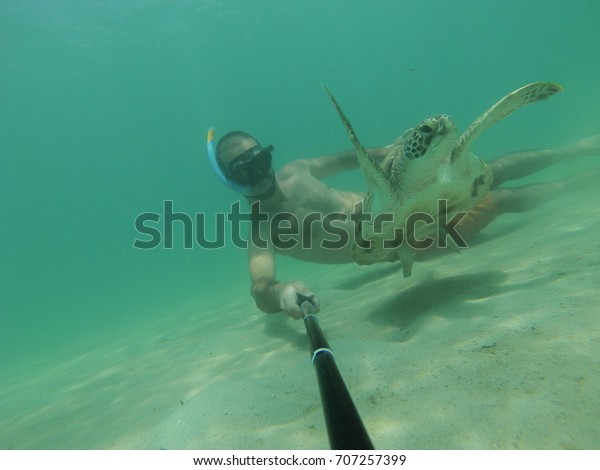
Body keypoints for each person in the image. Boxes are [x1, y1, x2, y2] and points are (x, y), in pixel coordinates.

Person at [207, 128, 599, 319]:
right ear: (230, 181)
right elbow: (260, 286)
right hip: (410, 239)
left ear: (267, 155)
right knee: (500, 199)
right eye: (243, 171)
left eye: (259, 159)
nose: (258, 173)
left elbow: (349, 158)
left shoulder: (297, 171)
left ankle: (575, 149)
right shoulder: (263, 229)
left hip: (400, 197)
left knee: (491, 169)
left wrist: (392, 151)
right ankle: (576, 185)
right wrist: (281, 293)